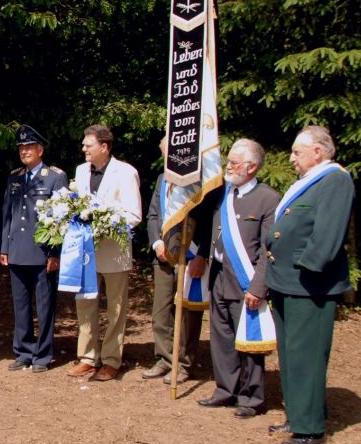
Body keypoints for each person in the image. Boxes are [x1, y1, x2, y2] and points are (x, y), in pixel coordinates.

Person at [265, 126, 354, 444]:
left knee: (308, 355)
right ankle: (298, 413)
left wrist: (307, 266)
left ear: (317, 151)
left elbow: (328, 234)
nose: (291, 159)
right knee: (291, 354)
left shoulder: (335, 180)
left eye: (296, 152)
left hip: (309, 284)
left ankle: (310, 428)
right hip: (286, 281)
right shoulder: (310, 182)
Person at [194, 139, 280, 417]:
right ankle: (225, 389)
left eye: (234, 162)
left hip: (246, 282)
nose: (228, 166)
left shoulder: (268, 199)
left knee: (248, 341)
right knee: (221, 337)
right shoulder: (222, 193)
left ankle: (251, 397)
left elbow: (268, 249)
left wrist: (259, 287)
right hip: (218, 275)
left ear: (252, 167)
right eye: (228, 161)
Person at [66, 125, 142, 381]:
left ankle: (111, 359)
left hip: (114, 251)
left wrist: (104, 226)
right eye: (84, 145)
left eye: (89, 145)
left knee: (115, 309)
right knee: (85, 305)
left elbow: (134, 215)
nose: (84, 149)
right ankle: (87, 357)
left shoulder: (126, 172)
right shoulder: (80, 171)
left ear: (104, 147)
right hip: (85, 253)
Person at [0, 125, 68, 373]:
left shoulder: (55, 177)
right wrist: (4, 247)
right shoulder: (14, 177)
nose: (24, 151)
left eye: (28, 147)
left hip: (41, 253)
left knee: (45, 305)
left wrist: (55, 252)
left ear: (40, 149)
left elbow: (61, 218)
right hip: (17, 251)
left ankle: (43, 354)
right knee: (21, 305)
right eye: (21, 148)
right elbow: (7, 214)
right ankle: (24, 351)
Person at [143, 137, 204, 384]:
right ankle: (166, 358)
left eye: (171, 153)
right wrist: (157, 243)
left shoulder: (199, 180)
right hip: (163, 254)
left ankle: (184, 362)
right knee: (161, 312)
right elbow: (153, 215)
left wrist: (200, 254)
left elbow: (207, 219)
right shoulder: (162, 179)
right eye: (164, 153)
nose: (167, 158)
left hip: (189, 255)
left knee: (187, 312)